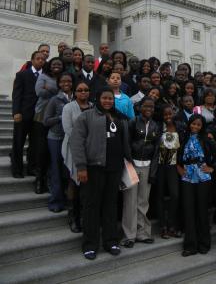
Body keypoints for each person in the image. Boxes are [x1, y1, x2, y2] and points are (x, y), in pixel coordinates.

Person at [71, 88, 131, 260]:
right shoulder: (86, 116)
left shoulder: (119, 117)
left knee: (111, 206)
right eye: (104, 98)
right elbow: (77, 142)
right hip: (93, 168)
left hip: (114, 169)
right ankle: (90, 245)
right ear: (98, 99)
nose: (108, 101)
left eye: (110, 99)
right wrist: (81, 167)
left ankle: (110, 241)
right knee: (91, 207)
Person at [177, 114, 216, 257]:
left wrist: (212, 167)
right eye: (193, 124)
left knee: (202, 210)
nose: (195, 127)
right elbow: (177, 156)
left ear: (202, 126)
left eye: (198, 125)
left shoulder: (206, 139)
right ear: (189, 124)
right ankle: (190, 246)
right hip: (187, 176)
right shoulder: (183, 138)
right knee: (189, 210)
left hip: (203, 176)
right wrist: (180, 168)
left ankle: (204, 243)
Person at [121, 97, 161, 248]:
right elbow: (126, 143)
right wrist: (128, 163)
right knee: (130, 201)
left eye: (151, 106)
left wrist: (153, 172)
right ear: (140, 107)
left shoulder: (156, 125)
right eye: (146, 106)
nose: (149, 109)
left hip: (148, 166)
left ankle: (142, 233)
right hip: (132, 165)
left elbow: (157, 150)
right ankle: (129, 235)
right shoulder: (132, 122)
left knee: (143, 202)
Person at [62, 81, 93, 233]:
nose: (83, 92)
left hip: (92, 150)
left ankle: (85, 216)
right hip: (73, 148)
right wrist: (87, 140)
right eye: (80, 90)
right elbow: (68, 128)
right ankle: (73, 216)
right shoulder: (68, 107)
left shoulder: (94, 106)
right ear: (75, 92)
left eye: (86, 90)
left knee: (88, 184)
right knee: (74, 182)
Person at [11, 51, 45, 178]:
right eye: (38, 58)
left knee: (35, 144)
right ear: (32, 60)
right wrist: (16, 112)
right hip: (23, 114)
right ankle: (17, 169)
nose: (41, 61)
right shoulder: (22, 75)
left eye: (43, 59)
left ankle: (31, 168)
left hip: (38, 117)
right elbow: (17, 95)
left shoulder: (45, 76)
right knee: (18, 143)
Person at [43, 72, 74, 212]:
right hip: (56, 138)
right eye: (63, 81)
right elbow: (46, 121)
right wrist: (62, 116)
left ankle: (69, 199)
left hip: (72, 139)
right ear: (59, 84)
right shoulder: (55, 99)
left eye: (69, 81)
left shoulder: (77, 98)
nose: (66, 83)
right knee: (56, 169)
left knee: (67, 171)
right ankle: (55, 201)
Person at [34, 57, 64, 193]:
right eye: (54, 64)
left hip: (56, 120)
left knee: (53, 153)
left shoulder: (64, 79)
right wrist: (56, 89)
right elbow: (40, 92)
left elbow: (62, 94)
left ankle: (50, 180)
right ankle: (39, 180)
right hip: (41, 117)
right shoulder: (43, 76)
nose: (56, 66)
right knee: (41, 150)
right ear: (49, 66)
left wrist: (49, 88)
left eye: (59, 64)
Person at [157, 105, 182, 239]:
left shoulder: (179, 128)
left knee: (175, 195)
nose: (168, 117)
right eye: (165, 115)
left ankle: (172, 224)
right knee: (160, 196)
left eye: (170, 114)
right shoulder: (158, 127)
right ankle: (163, 226)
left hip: (173, 166)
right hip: (160, 166)